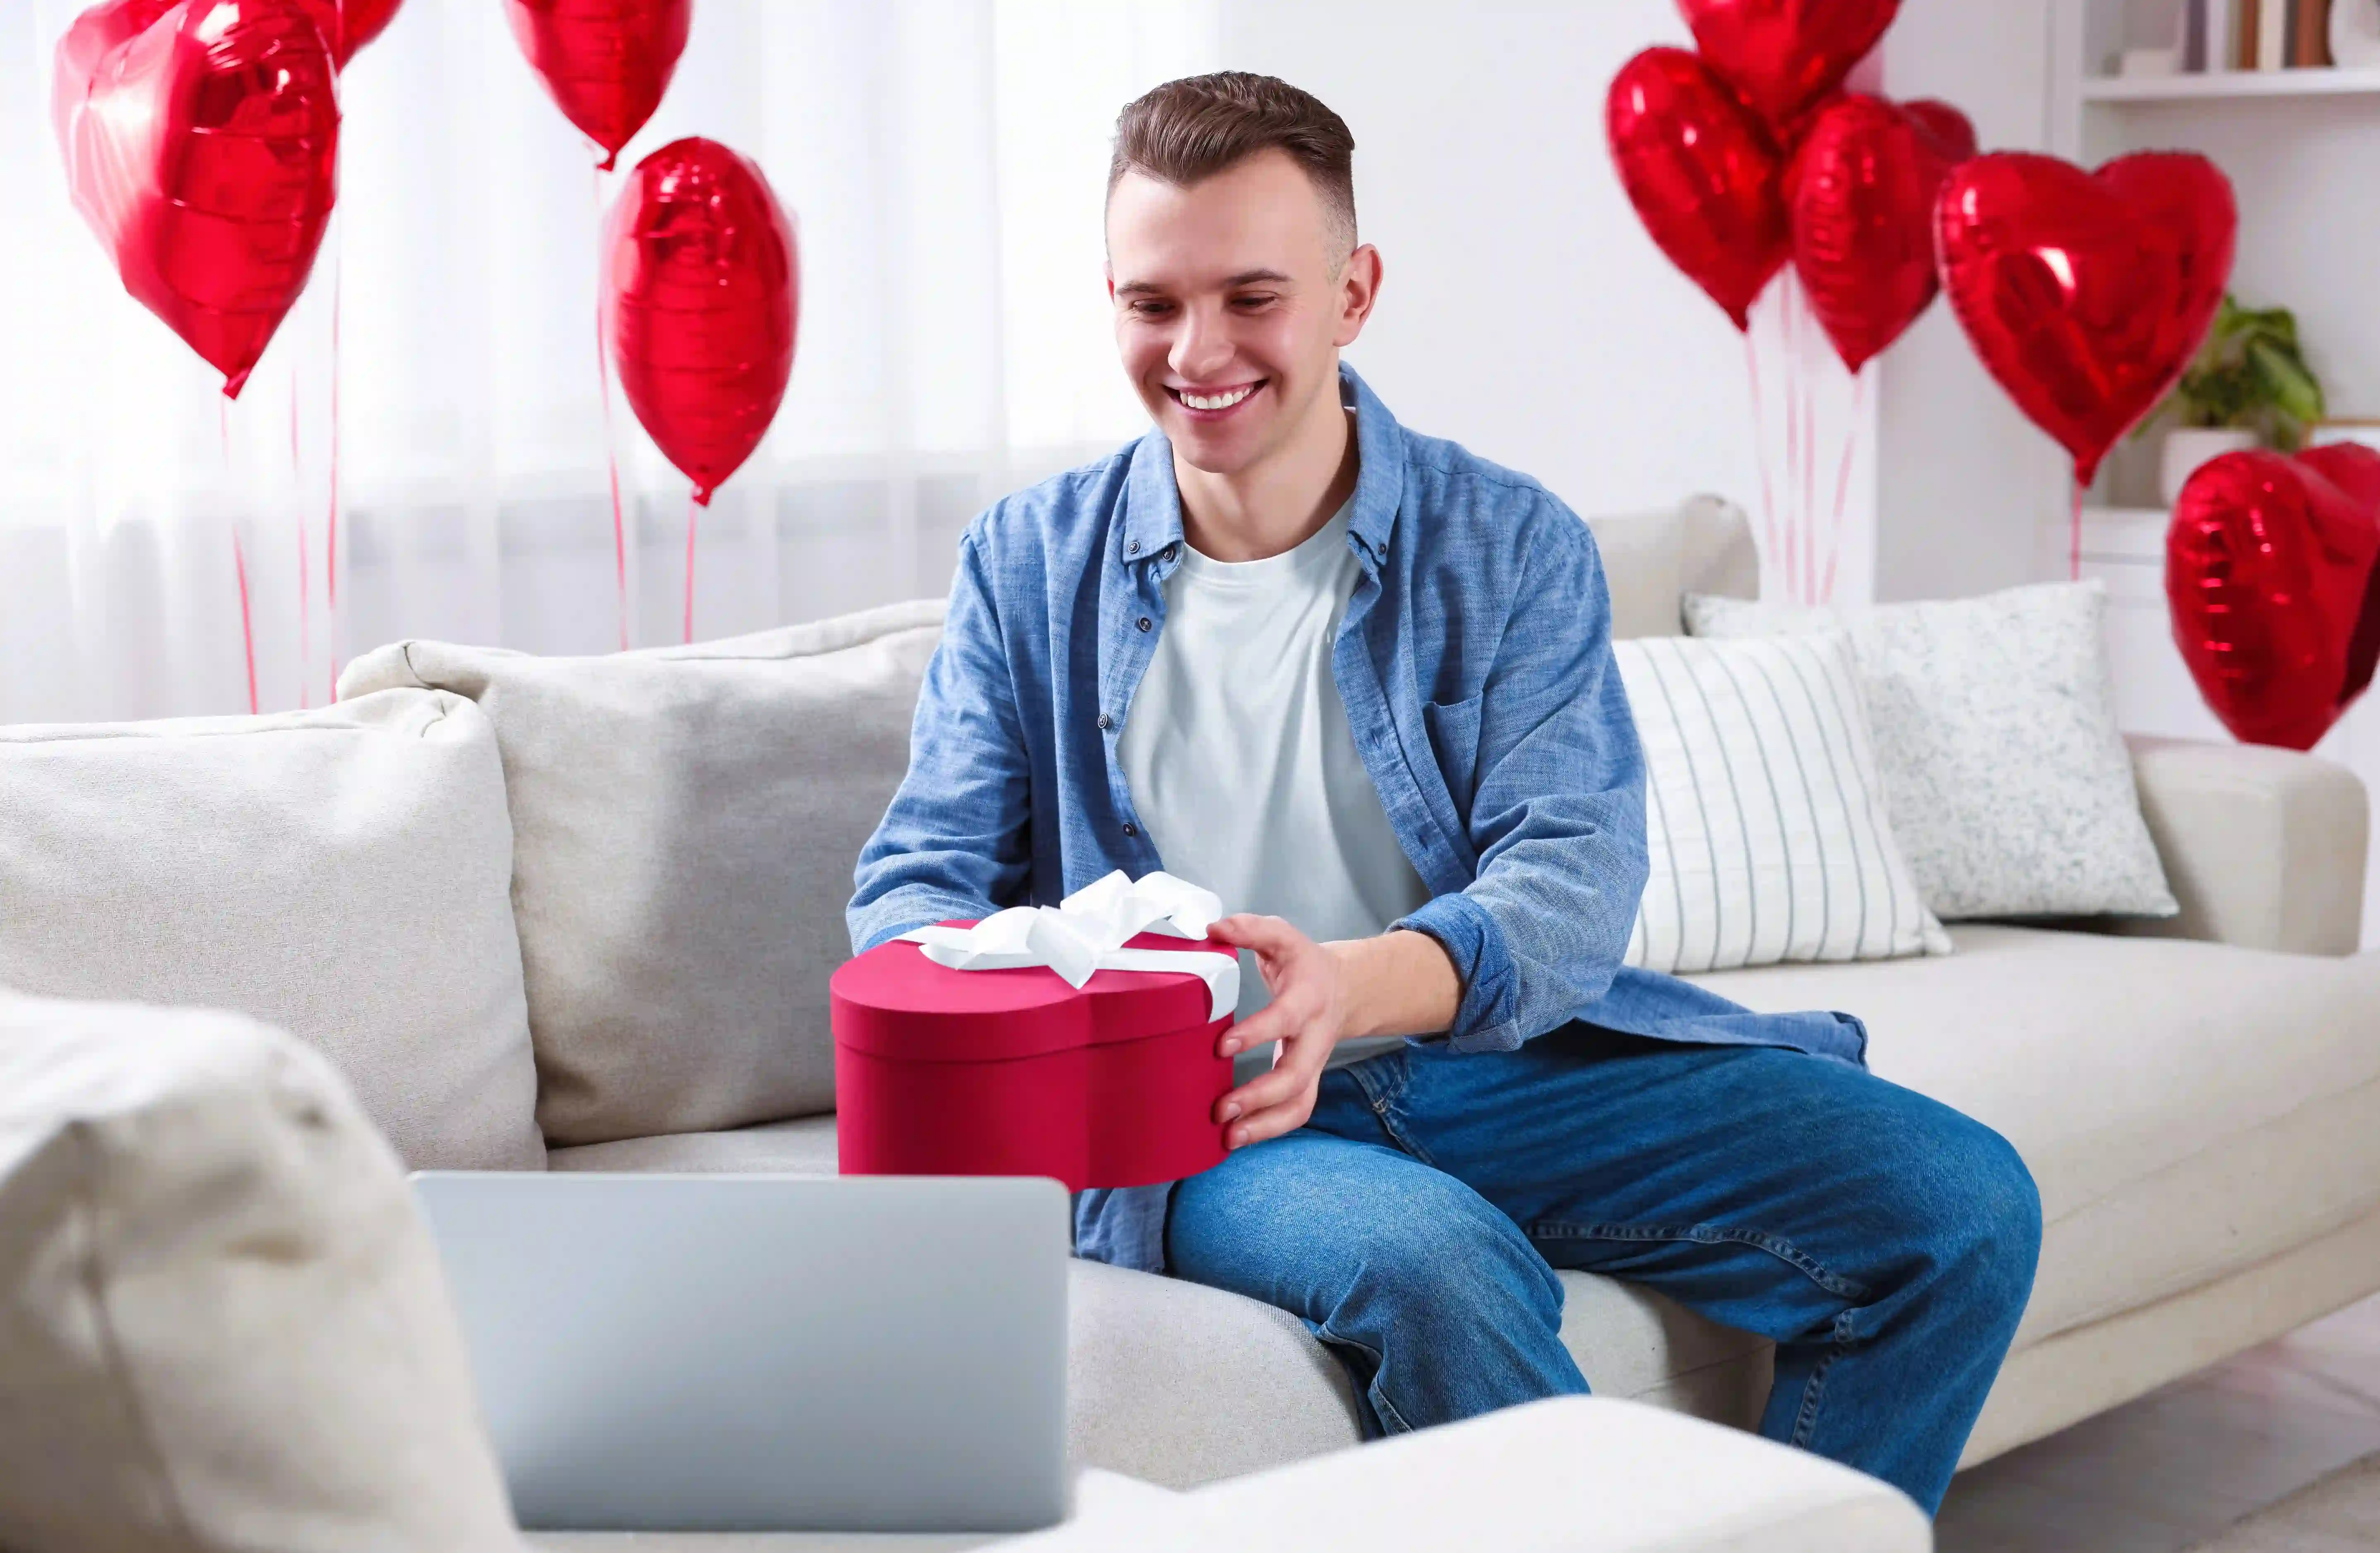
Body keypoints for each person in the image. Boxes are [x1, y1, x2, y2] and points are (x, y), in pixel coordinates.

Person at [848, 70, 2039, 1515]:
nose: (1197, 349)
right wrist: (1030, 1025)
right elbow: (916, 887)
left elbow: (1568, 887)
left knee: (1958, 1206)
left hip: (1494, 1063)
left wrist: (1346, 985)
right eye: (1150, 304)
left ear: (1352, 294)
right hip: (1212, 1116)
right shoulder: (1027, 560)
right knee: (1438, 1272)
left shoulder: (1511, 543)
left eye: (1250, 296)